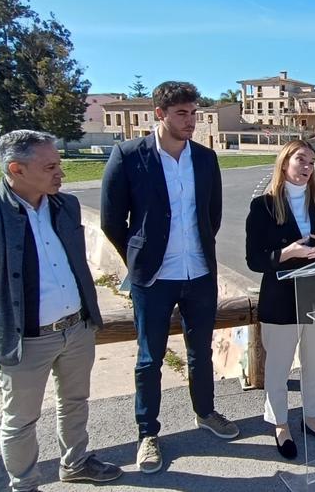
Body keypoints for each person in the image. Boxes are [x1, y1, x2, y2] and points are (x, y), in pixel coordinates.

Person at [0, 130, 122, 492]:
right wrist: (0, 315)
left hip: (76, 330)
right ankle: (25, 485)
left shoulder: (66, 206)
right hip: (24, 341)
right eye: (50, 166)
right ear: (16, 169)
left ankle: (76, 464)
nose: (60, 172)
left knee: (75, 402)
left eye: (59, 163)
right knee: (20, 420)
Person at [101, 81, 238, 474]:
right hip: (153, 277)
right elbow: (113, 221)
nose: (191, 120)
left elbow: (212, 215)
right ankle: (148, 433)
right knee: (149, 358)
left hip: (198, 272)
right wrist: (140, 256)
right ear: (159, 114)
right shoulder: (128, 156)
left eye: (194, 113)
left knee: (201, 352)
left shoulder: (206, 159)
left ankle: (206, 412)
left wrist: (195, 249)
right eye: (182, 113)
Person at [246, 140, 315, 459]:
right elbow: (255, 259)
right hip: (280, 294)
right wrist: (288, 253)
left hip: (314, 290)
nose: (307, 166)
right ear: (285, 161)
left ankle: (312, 417)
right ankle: (280, 423)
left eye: (312, 161)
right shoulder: (263, 205)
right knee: (279, 366)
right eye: (301, 159)